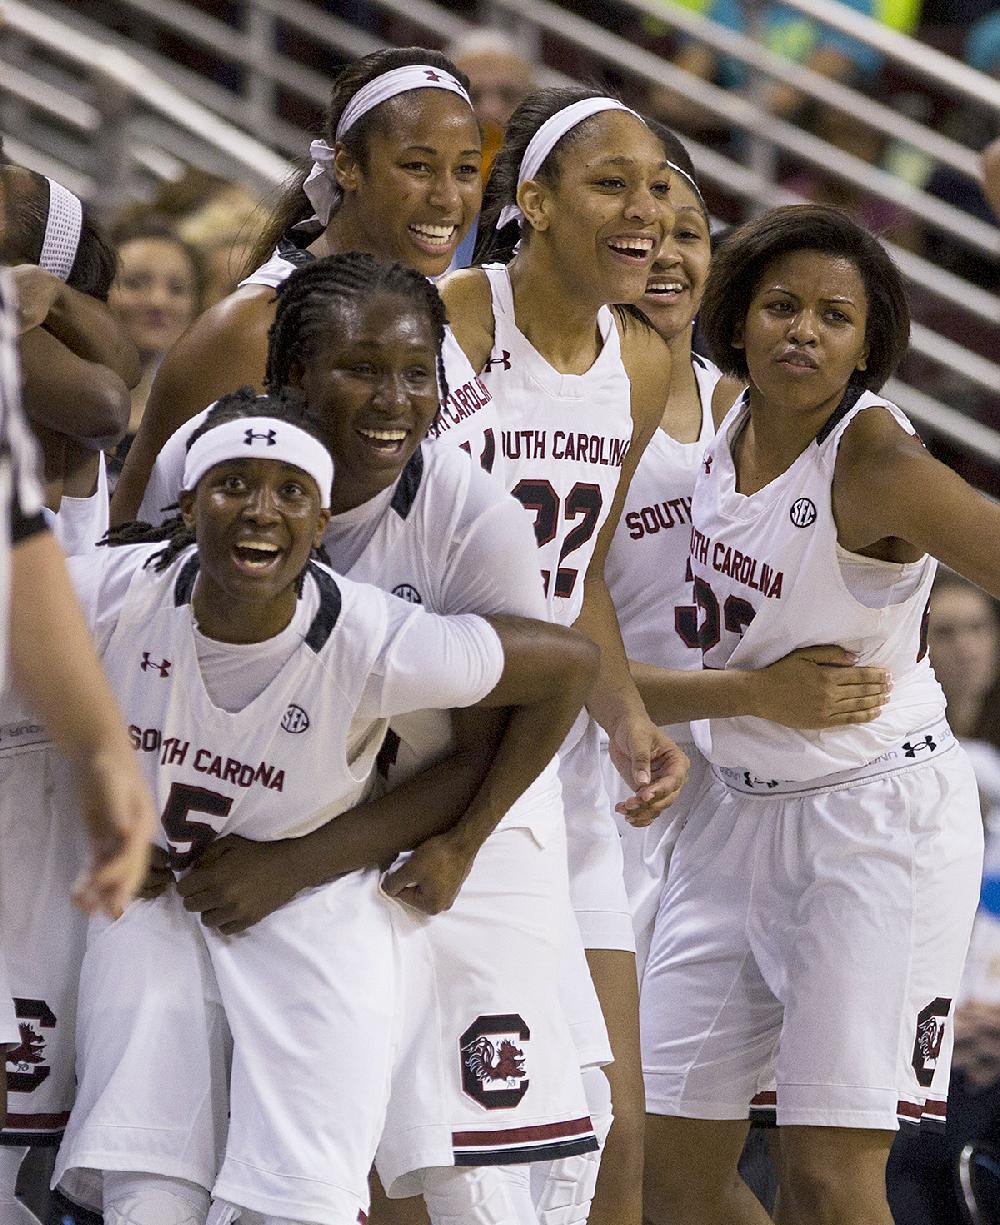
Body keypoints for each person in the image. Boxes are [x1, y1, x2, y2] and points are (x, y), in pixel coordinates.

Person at [64, 254, 615, 1225]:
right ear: (291, 380)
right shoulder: (211, 457)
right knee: (194, 1154)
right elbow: (121, 640)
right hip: (237, 837)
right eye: (361, 368)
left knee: (463, 1176)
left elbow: (528, 703)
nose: (393, 399)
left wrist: (411, 849)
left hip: (452, 827)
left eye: (416, 374)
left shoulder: (462, 520)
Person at [640, 203, 996, 1225]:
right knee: (668, 1171)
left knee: (829, 1179)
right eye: (781, 306)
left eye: (834, 316)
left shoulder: (874, 461)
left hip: (869, 820)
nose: (803, 330)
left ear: (868, 344)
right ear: (737, 320)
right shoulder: (713, 416)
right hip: (733, 816)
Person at [439, 87, 691, 1225]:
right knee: (443, 1122)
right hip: (435, 738)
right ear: (530, 202)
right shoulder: (446, 318)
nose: (642, 211)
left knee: (613, 1124)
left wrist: (627, 716)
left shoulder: (636, 365)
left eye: (657, 189)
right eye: (609, 184)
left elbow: (578, 561)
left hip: (558, 765)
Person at [110, 45, 494, 527]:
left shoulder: (437, 309)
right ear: (347, 166)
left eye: (465, 170)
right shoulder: (253, 328)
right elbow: (137, 533)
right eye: (417, 167)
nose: (446, 197)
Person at [107, 219, 203, 480]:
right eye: (135, 284)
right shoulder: (56, 405)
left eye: (177, 289)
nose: (158, 301)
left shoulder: (197, 423)